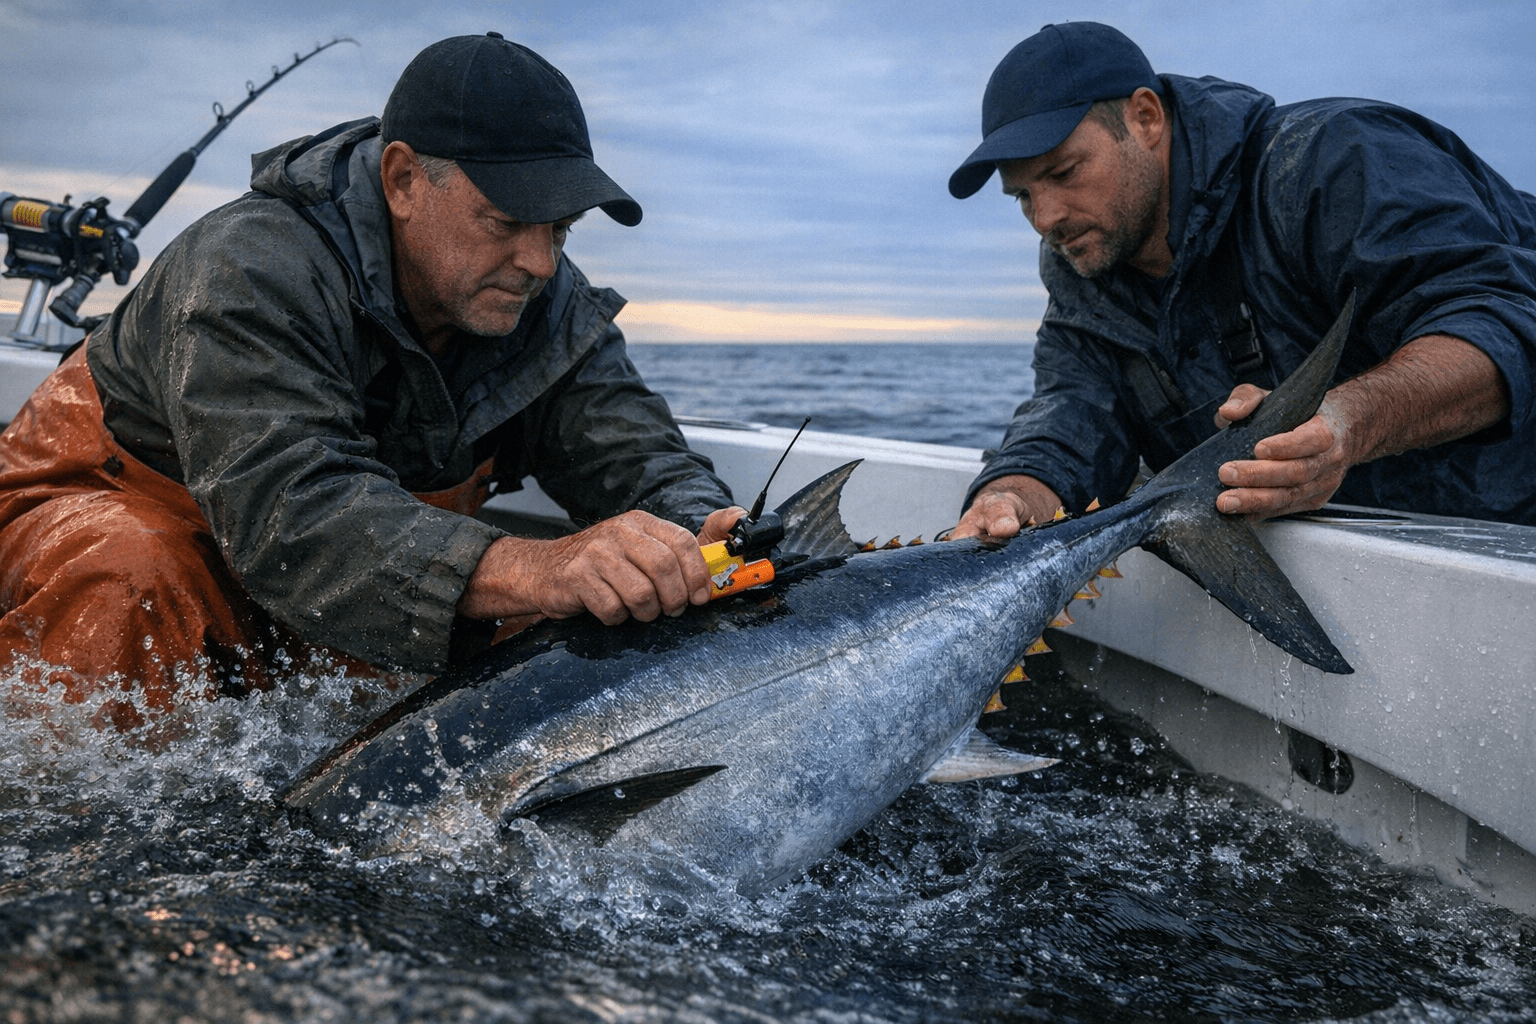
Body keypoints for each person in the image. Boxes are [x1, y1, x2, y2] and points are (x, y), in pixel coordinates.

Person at [0, 34, 743, 729]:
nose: (540, 263)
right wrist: (540, 564)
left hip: (338, 581)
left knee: (593, 621)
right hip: (117, 522)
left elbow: (637, 454)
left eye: (560, 227)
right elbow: (294, 513)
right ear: (403, 179)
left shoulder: (538, 298)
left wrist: (707, 530)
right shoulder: (246, 266)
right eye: (505, 221)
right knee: (134, 577)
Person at [945, 22, 1536, 542]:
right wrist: (1014, 493)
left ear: (1145, 118)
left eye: (1064, 172)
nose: (1046, 219)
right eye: (1023, 195)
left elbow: (1502, 324)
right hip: (1352, 564)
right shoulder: (1086, 263)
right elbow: (1073, 410)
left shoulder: (1330, 160)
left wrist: (1344, 425)